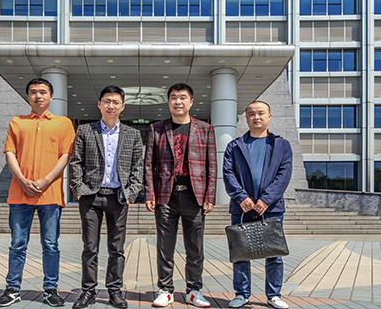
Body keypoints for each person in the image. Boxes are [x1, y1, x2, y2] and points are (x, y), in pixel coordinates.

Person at [0, 78, 76, 308]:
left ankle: (51, 290)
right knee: (17, 244)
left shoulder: (63, 124)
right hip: (19, 194)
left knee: (50, 244)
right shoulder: (17, 122)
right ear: (27, 96)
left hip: (50, 195)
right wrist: (22, 180)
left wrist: (46, 180)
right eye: (33, 92)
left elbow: (65, 156)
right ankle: (12, 289)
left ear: (51, 96)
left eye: (43, 92)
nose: (38, 96)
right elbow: (10, 153)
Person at [68, 85, 145, 309]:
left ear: (123, 106)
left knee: (117, 249)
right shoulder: (85, 130)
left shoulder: (132, 134)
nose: (111, 105)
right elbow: (76, 162)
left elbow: (137, 167)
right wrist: (79, 189)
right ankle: (88, 292)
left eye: (115, 102)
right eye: (107, 101)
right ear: (99, 105)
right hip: (91, 197)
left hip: (118, 197)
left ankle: (115, 291)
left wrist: (131, 193)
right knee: (90, 247)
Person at [144, 83, 216, 308]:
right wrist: (149, 192)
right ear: (168, 102)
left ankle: (194, 291)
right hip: (166, 196)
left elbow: (211, 165)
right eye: (174, 97)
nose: (178, 101)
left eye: (183, 97)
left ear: (191, 102)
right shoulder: (157, 129)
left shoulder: (205, 129)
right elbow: (149, 164)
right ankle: (165, 290)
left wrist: (210, 196)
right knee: (165, 246)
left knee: (195, 248)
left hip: (194, 197)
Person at [222, 101, 294, 309]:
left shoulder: (281, 145)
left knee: (274, 253)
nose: (256, 117)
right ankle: (241, 294)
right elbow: (228, 174)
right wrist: (242, 197)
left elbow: (283, 175)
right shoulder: (235, 146)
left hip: (271, 208)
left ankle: (274, 295)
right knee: (241, 253)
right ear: (246, 118)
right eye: (251, 114)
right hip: (241, 208)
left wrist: (266, 200)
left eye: (261, 113)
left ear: (269, 116)